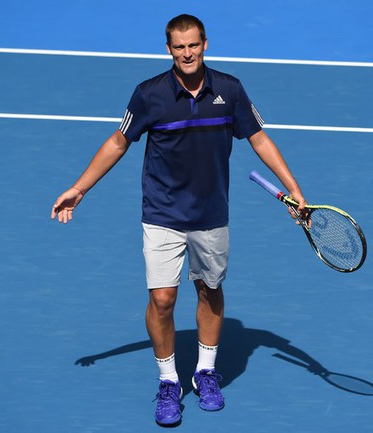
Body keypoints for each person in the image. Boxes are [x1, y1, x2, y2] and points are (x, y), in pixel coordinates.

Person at [51, 14, 308, 426]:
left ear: (205, 44)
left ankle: (205, 371)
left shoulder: (230, 89)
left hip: (211, 214)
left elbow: (259, 138)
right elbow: (118, 141)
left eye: (193, 45)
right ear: (168, 49)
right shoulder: (149, 94)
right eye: (179, 47)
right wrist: (80, 188)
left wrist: (293, 189)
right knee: (162, 299)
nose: (187, 53)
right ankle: (169, 380)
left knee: (209, 290)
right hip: (163, 213)